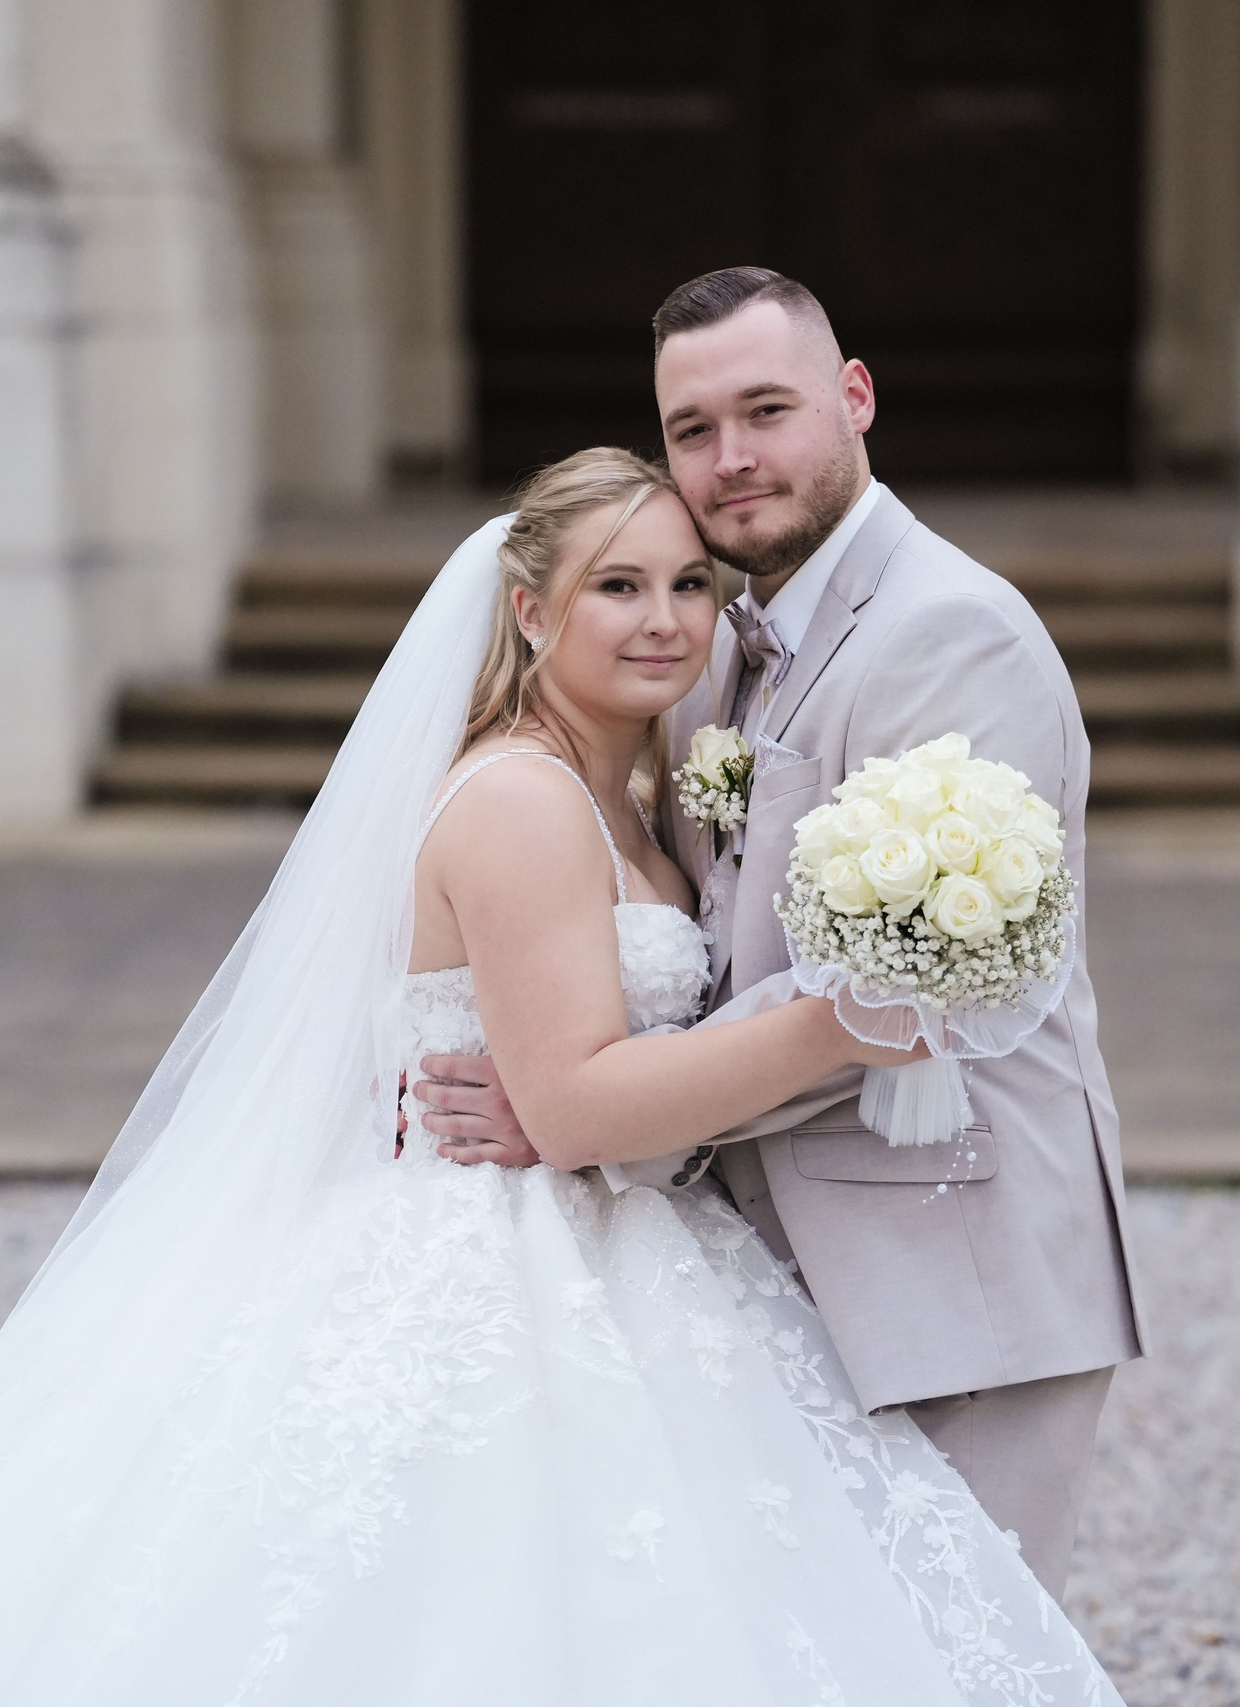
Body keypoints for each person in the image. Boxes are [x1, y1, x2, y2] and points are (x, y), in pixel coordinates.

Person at [0, 449, 1122, 1705]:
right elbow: (574, 1107)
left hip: (631, 1251)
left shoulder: (632, 790)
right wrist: (852, 1014)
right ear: (526, 611)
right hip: (508, 1264)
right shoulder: (519, 803)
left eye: (690, 587)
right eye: (617, 588)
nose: (664, 621)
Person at [414, 269, 1145, 1598]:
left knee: (961, 1667)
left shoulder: (950, 635)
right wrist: (578, 1078)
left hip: (948, 1269)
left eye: (767, 410)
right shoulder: (710, 650)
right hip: (785, 1268)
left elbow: (908, 986)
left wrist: (593, 1106)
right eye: (693, 430)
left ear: (855, 398)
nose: (731, 459)